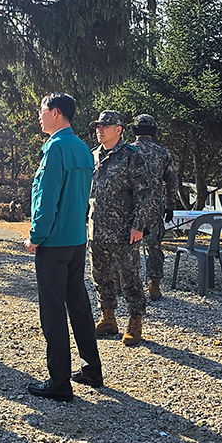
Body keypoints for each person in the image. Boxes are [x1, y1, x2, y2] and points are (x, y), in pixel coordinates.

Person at [24, 94, 102, 402]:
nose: (39, 117)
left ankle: (59, 382)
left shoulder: (56, 148)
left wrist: (36, 235)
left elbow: (47, 199)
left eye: (42, 112)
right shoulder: (83, 148)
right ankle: (91, 369)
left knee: (53, 310)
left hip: (54, 241)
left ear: (56, 113)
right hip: (76, 239)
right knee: (78, 304)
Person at [89, 110, 152, 346]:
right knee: (101, 276)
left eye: (105, 126)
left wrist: (138, 226)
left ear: (119, 129)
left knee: (130, 279)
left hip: (125, 232)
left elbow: (145, 195)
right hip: (97, 230)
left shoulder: (132, 156)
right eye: (97, 126)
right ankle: (108, 318)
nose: (100, 130)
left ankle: (135, 323)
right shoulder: (93, 155)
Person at [130, 114, 178, 301]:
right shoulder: (163, 153)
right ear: (153, 131)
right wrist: (170, 205)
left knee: (127, 248)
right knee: (154, 248)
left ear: (134, 130)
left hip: (130, 208)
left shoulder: (127, 151)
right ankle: (154, 286)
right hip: (154, 208)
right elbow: (171, 182)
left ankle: (124, 284)